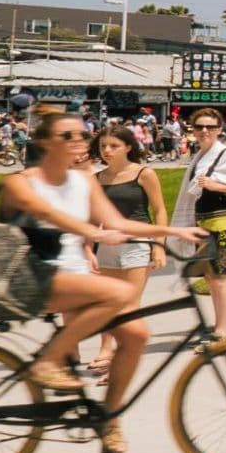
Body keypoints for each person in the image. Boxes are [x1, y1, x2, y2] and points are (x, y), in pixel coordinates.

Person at [0, 112, 203, 453]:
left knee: (137, 336)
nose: (79, 140)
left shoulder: (84, 181)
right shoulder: (22, 181)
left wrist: (169, 233)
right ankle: (48, 362)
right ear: (45, 143)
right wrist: (91, 232)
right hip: (29, 278)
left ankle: (108, 419)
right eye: (67, 136)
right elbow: (46, 212)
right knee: (120, 291)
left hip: (73, 276)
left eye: (81, 134)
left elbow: (115, 221)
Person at [170, 108, 226, 339]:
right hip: (201, 223)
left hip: (223, 223)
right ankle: (219, 325)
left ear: (220, 130)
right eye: (199, 127)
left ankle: (222, 329)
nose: (204, 131)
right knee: (211, 278)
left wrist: (217, 185)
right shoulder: (199, 156)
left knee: (221, 278)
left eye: (210, 127)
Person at [89, 125, 168, 380]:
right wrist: (88, 249)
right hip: (107, 244)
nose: (107, 151)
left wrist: (159, 245)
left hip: (138, 242)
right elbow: (92, 219)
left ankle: (118, 364)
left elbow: (159, 210)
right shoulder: (97, 178)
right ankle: (106, 349)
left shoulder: (144, 174)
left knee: (129, 306)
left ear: (128, 147)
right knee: (106, 303)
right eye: (103, 146)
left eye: (113, 146)